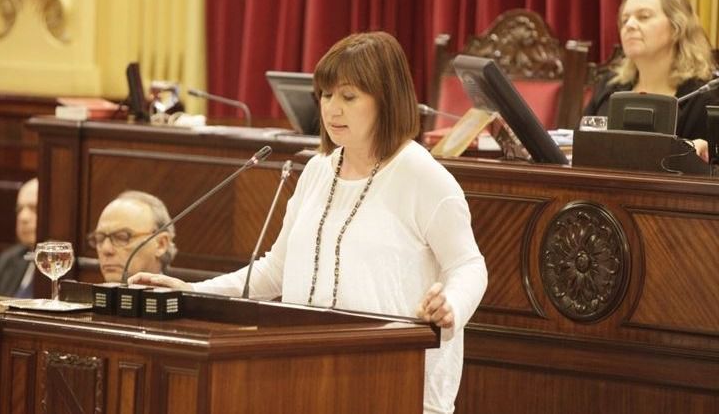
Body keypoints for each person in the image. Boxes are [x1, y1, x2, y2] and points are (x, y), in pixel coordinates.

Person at [130, 31, 488, 414]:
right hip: (308, 379)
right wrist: (194, 293)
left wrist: (449, 304)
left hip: (395, 385)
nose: (332, 109)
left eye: (348, 97)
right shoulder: (318, 171)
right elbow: (275, 272)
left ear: (386, 98)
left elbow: (469, 266)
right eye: (326, 95)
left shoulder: (421, 175)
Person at [584, 0, 719, 161]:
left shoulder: (706, 95)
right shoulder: (609, 85)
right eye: (624, 20)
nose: (629, 26)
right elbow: (580, 146)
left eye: (644, 17)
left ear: (676, 28)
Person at [88, 190, 177, 283]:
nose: (106, 249)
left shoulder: (183, 297)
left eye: (122, 237)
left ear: (161, 244)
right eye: (100, 238)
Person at [0, 178, 38, 297]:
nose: (23, 217)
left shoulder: (67, 267)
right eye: (19, 209)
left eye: (34, 208)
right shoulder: (7, 260)